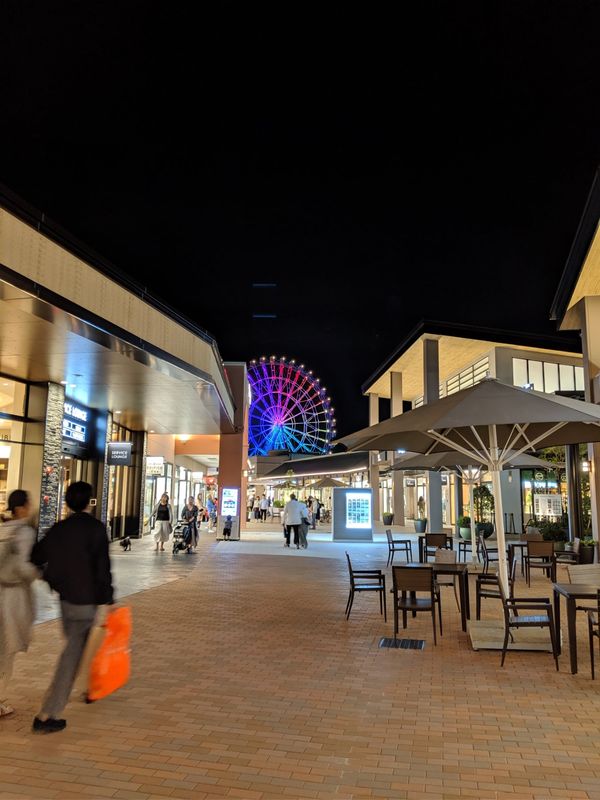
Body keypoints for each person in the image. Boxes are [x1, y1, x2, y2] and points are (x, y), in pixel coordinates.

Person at [30, 480, 113, 734]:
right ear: (89, 502)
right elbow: (103, 569)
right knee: (71, 657)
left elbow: (36, 556)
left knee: (73, 651)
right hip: (86, 603)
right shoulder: (96, 529)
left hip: (65, 601)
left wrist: (51, 578)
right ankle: (47, 714)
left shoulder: (59, 528)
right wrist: (107, 600)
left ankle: (82, 693)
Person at [0, 490, 39, 717]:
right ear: (22, 507)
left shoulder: (2, 528)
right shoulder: (24, 532)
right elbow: (24, 567)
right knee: (7, 650)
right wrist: (39, 573)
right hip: (13, 596)